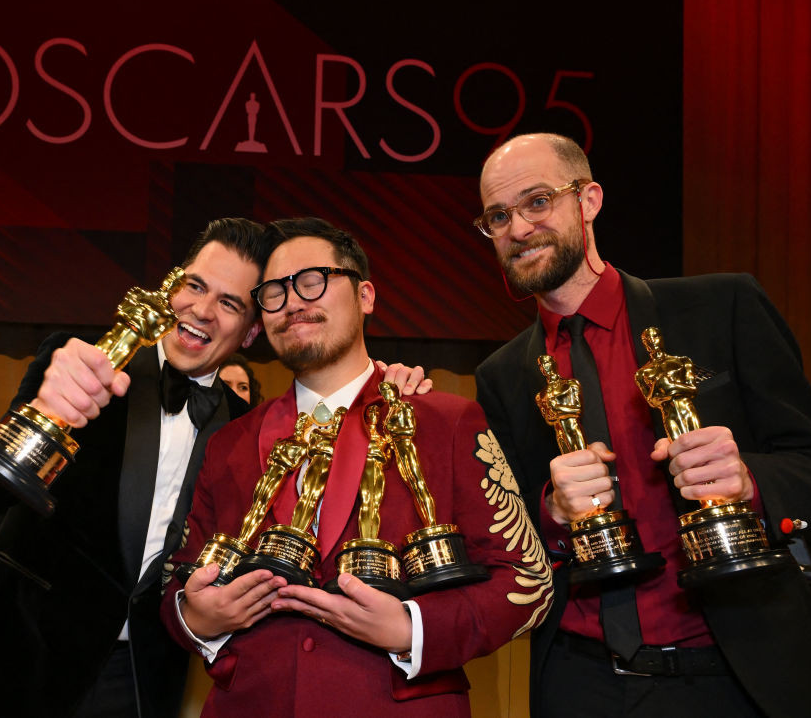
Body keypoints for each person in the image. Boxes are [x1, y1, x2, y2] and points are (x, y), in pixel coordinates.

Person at [0, 215, 431, 718]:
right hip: (8, 664)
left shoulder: (251, 429)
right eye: (195, 286)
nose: (201, 310)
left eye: (229, 302)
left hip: (141, 681)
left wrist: (387, 385)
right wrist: (45, 414)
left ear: (251, 332)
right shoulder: (86, 365)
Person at [472, 133, 811, 717]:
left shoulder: (722, 307)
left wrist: (748, 481)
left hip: (740, 678)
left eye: (538, 201)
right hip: (582, 683)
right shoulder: (501, 376)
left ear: (589, 201)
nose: (519, 228)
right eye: (499, 216)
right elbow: (506, 534)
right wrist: (551, 513)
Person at [160, 217, 554, 717]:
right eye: (274, 293)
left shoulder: (448, 422)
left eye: (312, 281)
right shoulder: (228, 443)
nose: (293, 302)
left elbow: (527, 580)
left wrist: (412, 629)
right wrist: (196, 618)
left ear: (365, 295)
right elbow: (176, 579)